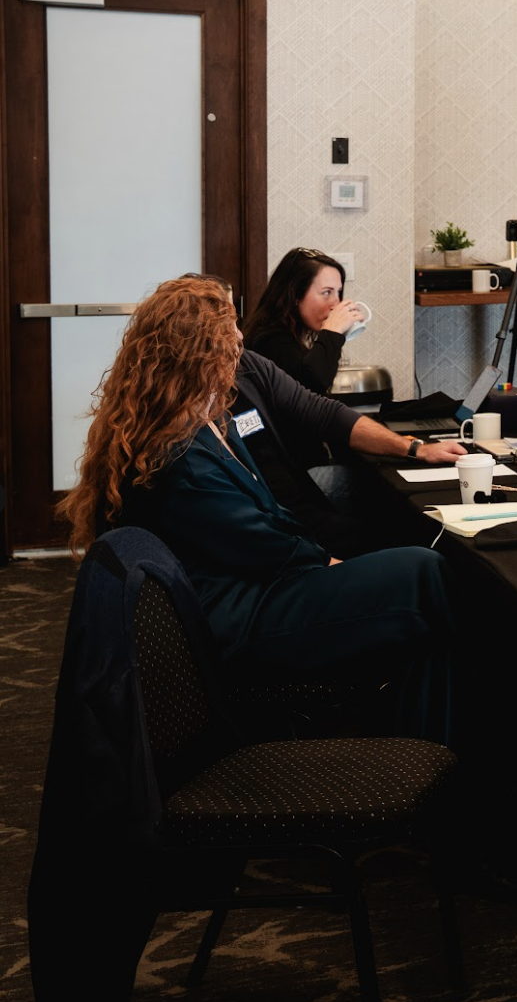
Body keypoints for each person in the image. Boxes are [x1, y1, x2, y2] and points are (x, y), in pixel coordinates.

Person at [58, 276, 455, 742]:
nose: (239, 347)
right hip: (239, 617)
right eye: (229, 339)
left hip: (257, 585)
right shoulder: (177, 458)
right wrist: (331, 563)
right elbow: (264, 547)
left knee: (421, 588)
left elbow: (270, 513)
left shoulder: (205, 422)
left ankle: (424, 741)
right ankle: (439, 740)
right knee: (422, 571)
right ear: (199, 355)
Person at [230, 349, 468, 558]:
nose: (238, 335)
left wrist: (417, 450)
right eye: (227, 328)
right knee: (414, 546)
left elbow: (324, 413)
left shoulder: (248, 364)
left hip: (303, 506)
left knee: (396, 516)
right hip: (278, 532)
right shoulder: (209, 407)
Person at [240, 247, 365, 396]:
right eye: (326, 292)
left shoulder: (290, 336)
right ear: (295, 296)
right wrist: (332, 332)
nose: (336, 304)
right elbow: (310, 390)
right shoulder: (270, 340)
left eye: (338, 292)